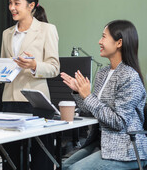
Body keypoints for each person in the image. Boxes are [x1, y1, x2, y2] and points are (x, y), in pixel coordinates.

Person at [61, 20, 147, 170]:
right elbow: (91, 110)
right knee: (64, 165)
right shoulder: (102, 73)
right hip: (102, 142)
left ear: (119, 42)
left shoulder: (130, 77)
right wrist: (78, 92)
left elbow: (118, 121)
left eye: (104, 37)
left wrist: (88, 96)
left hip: (125, 149)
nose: (99, 41)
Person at [0, 0, 60, 170]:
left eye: (17, 3)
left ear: (31, 5)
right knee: (11, 158)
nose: (12, 7)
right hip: (9, 100)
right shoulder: (6, 34)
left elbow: (54, 68)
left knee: (41, 157)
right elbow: (5, 65)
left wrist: (34, 66)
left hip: (35, 101)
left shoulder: (47, 30)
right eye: (10, 3)